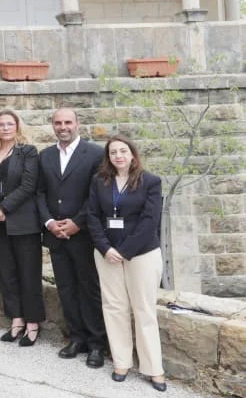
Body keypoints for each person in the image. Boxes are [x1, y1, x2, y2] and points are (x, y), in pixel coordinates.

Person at [88, 136, 166, 391]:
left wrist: (123, 251)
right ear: (108, 157)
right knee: (114, 307)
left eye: (123, 151)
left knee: (144, 310)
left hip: (141, 254)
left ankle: (154, 369)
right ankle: (121, 362)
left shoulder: (150, 182)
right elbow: (92, 216)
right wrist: (105, 248)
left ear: (133, 154)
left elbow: (149, 221)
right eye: (113, 152)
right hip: (107, 253)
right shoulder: (100, 181)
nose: (118, 156)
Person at [38, 107, 108, 367]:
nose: (63, 126)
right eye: (58, 122)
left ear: (77, 124)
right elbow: (40, 193)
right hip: (55, 234)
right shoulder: (45, 156)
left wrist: (77, 223)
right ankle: (76, 337)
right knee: (65, 288)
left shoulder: (96, 154)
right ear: (53, 125)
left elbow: (97, 195)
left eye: (68, 122)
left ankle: (97, 343)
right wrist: (49, 222)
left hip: (83, 235)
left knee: (89, 288)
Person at [0, 109, 44, 346]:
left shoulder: (28, 152)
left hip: (23, 223)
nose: (5, 128)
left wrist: (3, 208)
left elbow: (28, 186)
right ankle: (16, 319)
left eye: (9, 124)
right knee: (7, 274)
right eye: (1, 125)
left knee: (28, 273)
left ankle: (33, 323)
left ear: (17, 126)